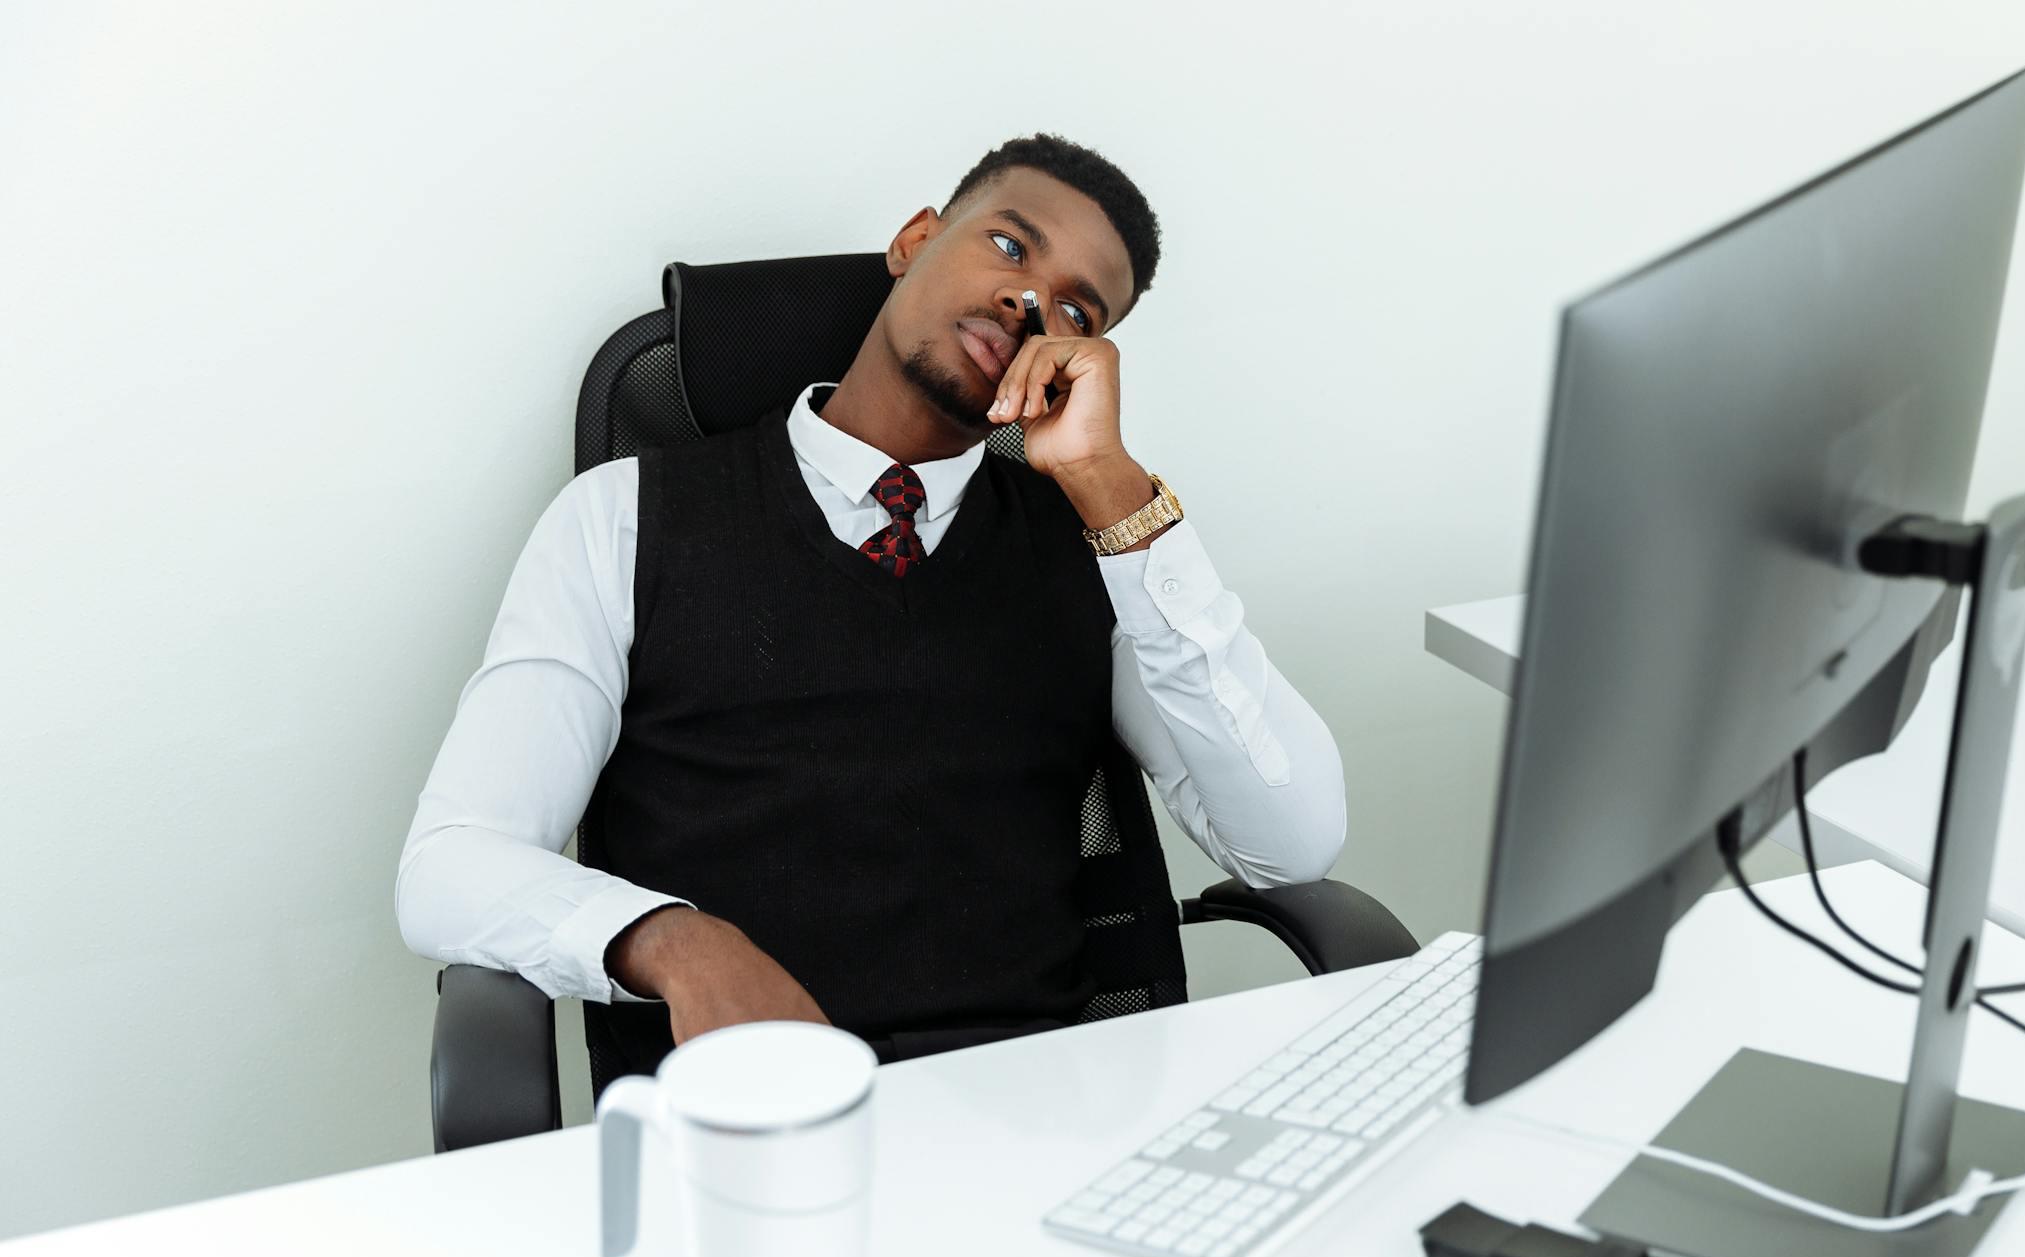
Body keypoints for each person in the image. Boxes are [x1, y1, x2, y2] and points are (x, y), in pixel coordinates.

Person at [395, 133, 1346, 1067]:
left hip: (1032, 1118)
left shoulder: (1098, 549)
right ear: (915, 240)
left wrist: (1117, 498)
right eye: (1010, 247)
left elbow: (1291, 846)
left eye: (1077, 312)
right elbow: (451, 864)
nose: (1028, 301)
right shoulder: (623, 517)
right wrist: (677, 943)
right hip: (746, 1117)